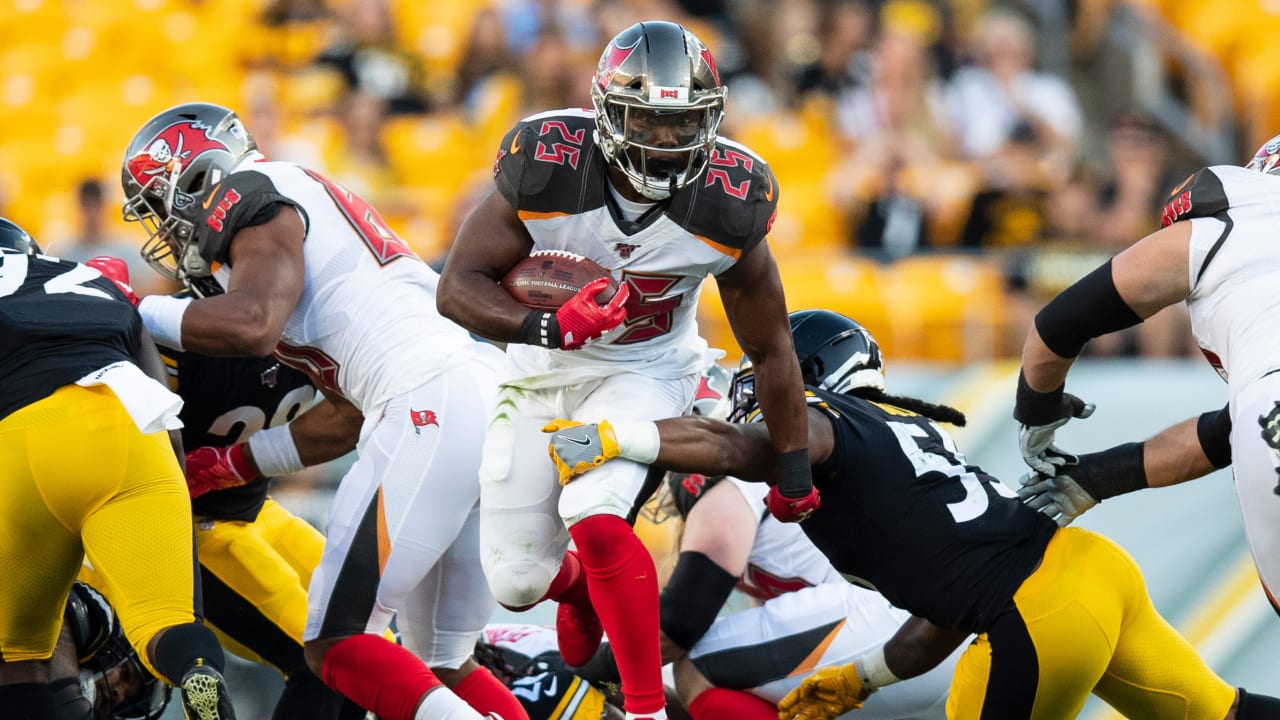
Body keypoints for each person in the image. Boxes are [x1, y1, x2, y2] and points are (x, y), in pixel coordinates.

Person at [546, 309, 1280, 719]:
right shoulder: (900, 435)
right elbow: (950, 600)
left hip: (1031, 615)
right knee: (1219, 716)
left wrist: (623, 436)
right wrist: (864, 676)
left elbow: (735, 446)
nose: (751, 398)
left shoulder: (823, 424)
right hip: (1087, 576)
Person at [436, 21, 816, 720]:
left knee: (594, 506)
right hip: (541, 370)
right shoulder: (548, 161)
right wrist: (547, 323)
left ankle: (642, 709)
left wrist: (793, 467)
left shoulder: (728, 199)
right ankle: (585, 591)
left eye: (681, 124)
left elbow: (771, 348)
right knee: (519, 581)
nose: (664, 141)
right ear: (607, 111)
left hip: (646, 373)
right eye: (646, 119)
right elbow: (457, 287)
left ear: (710, 119)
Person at [115, 102, 522, 720]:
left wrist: (131, 308)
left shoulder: (249, 191)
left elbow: (251, 323)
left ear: (198, 180)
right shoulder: (297, 196)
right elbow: (343, 418)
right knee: (439, 660)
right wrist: (230, 462)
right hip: (478, 396)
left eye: (161, 207)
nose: (167, 233)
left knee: (337, 646)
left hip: (425, 403)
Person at [577, 360, 958, 720]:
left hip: (890, 627)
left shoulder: (733, 481)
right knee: (715, 676)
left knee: (695, 668)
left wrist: (573, 664)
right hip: (928, 638)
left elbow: (679, 625)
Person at [1012, 133, 1280, 616]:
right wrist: (1096, 477)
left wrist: (1037, 407)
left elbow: (1059, 324)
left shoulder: (1232, 217)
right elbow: (1228, 429)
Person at [0, 219, 235, 719]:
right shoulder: (90, 279)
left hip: (23, 434)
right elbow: (168, 412)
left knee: (17, 657)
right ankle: (198, 674)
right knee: (168, 628)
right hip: (133, 426)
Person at [49, 581, 173, 720]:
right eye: (125, 674)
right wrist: (67, 692)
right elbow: (52, 604)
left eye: (126, 701)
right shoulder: (102, 623)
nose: (118, 693)